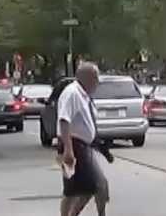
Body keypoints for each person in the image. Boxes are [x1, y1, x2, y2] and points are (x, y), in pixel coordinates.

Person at [57, 62, 110, 216]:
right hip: (74, 145)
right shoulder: (72, 93)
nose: (98, 82)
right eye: (95, 77)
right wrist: (68, 150)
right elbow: (64, 120)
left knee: (89, 187)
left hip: (83, 146)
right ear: (85, 78)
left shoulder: (83, 95)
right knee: (78, 189)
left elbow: (85, 123)